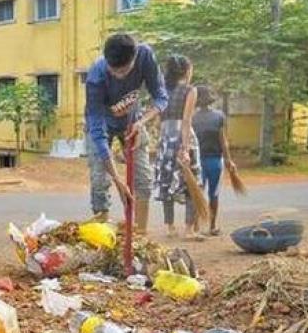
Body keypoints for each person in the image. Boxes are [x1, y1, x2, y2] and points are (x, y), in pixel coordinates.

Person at [85, 33, 168, 234]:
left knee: (143, 180)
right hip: (102, 123)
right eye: (114, 71)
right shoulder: (96, 76)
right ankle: (101, 233)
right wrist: (117, 179)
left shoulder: (145, 56)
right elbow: (97, 131)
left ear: (135, 57)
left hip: (133, 122)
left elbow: (161, 98)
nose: (119, 75)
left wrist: (142, 122)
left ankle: (139, 235)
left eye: (124, 70)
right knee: (99, 180)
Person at [153, 55, 202, 240]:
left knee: (166, 182)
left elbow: (159, 120)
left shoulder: (162, 91)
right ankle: (189, 229)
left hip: (166, 140)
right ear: (186, 71)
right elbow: (187, 120)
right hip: (183, 138)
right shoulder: (190, 90)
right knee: (191, 183)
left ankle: (170, 227)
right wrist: (185, 147)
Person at [193, 85, 236, 236]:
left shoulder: (192, 118)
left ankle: (196, 227)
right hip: (215, 161)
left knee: (198, 193)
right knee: (214, 194)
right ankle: (212, 226)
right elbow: (223, 141)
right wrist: (229, 160)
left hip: (197, 162)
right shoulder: (219, 116)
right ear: (210, 100)